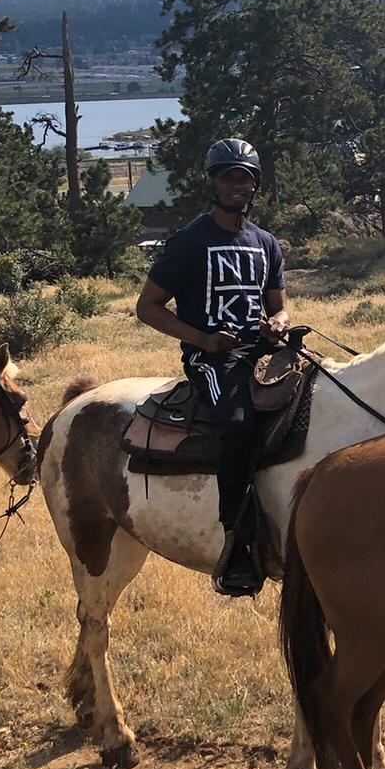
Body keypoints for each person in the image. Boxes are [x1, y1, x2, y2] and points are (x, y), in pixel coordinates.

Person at [136, 137, 290, 595]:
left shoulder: (266, 242)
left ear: (254, 186)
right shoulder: (189, 242)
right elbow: (148, 307)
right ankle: (237, 544)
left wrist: (278, 324)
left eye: (244, 179)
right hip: (212, 360)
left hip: (261, 353)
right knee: (239, 425)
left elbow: (280, 306)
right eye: (228, 177)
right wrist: (203, 339)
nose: (237, 186)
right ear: (213, 184)